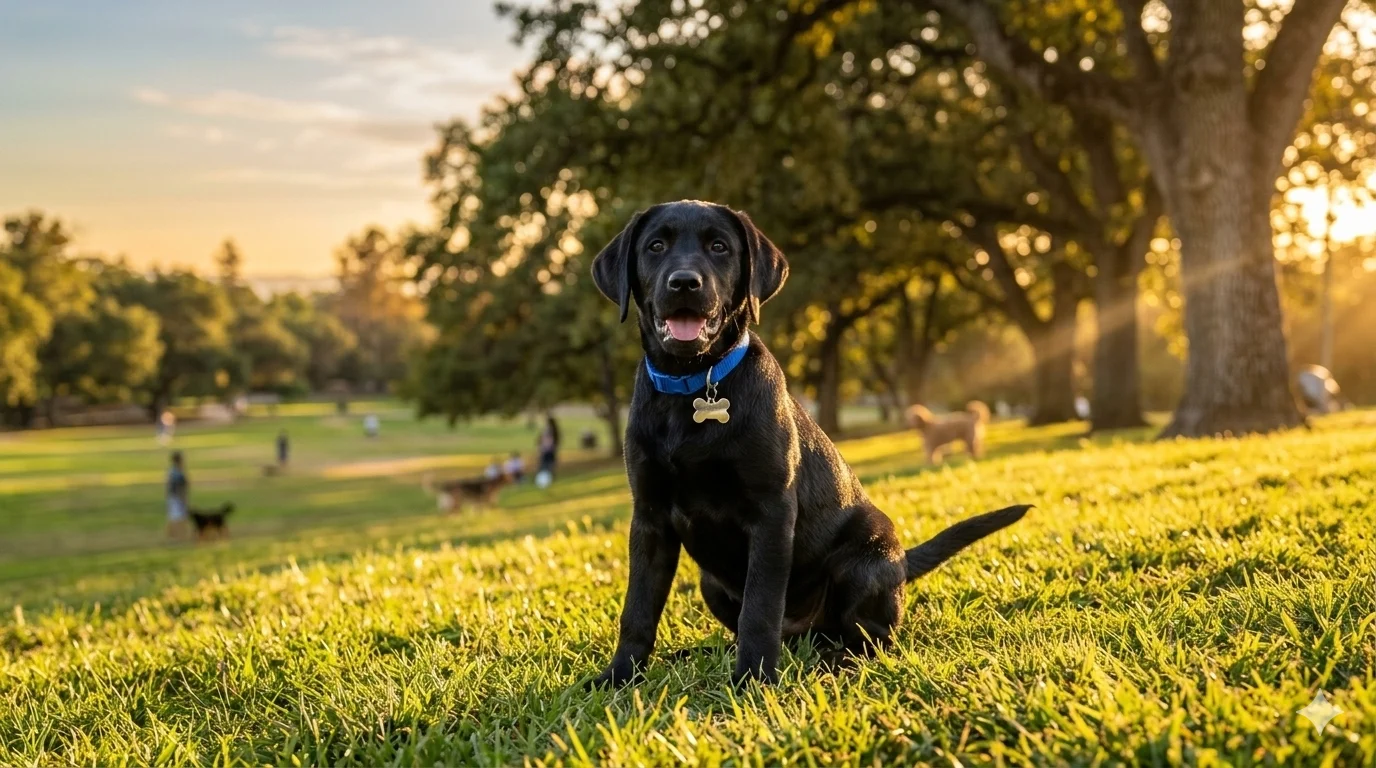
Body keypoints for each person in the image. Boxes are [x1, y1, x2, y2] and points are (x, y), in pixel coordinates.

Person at [165, 451, 189, 540]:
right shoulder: (177, 472)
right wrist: (183, 497)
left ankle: (173, 535)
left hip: (172, 496)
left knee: (173, 516)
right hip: (177, 496)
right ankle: (179, 535)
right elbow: (180, 486)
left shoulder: (172, 471)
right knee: (179, 517)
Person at [537, 413, 561, 480]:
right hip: (551, 450)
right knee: (550, 465)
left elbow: (544, 440)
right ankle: (549, 478)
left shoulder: (548, 430)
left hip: (546, 450)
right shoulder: (554, 430)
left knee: (545, 465)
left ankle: (545, 479)